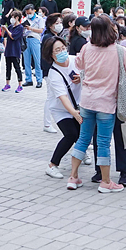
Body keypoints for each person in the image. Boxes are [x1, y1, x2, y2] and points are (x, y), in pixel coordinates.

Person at [68, 15, 126, 193]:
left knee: (83, 139)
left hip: (87, 101)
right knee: (103, 142)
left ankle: (73, 177)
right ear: (111, 30)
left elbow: (79, 64)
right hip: (106, 104)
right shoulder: (119, 50)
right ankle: (106, 181)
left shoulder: (86, 48)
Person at [45, 37, 82, 178]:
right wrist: (74, 113)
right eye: (57, 50)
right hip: (61, 110)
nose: (62, 52)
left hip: (79, 105)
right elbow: (63, 98)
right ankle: (52, 165)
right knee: (71, 134)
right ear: (51, 55)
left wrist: (82, 77)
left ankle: (81, 154)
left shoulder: (75, 60)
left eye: (63, 48)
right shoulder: (54, 74)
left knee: (82, 134)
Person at [22, 5, 45, 87]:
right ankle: (28, 79)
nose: (28, 14)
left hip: (35, 39)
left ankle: (39, 80)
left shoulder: (39, 19)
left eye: (30, 12)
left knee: (37, 61)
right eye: (27, 13)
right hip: (26, 39)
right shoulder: (25, 19)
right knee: (26, 61)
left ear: (34, 11)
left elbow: (41, 30)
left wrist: (31, 29)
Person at [2, 9, 25, 91]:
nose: (11, 19)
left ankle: (20, 84)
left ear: (17, 18)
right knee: (8, 67)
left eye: (13, 17)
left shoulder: (20, 27)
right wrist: (3, 30)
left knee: (17, 67)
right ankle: (7, 84)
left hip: (15, 50)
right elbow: (4, 36)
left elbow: (13, 36)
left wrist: (6, 30)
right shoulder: (10, 26)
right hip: (8, 49)